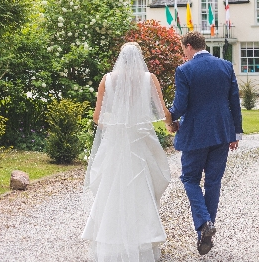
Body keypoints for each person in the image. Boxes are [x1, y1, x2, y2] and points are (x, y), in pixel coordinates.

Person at [83, 42, 172, 262]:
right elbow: (162, 111)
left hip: (116, 142)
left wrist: (115, 127)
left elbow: (97, 117)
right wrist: (171, 124)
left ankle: (110, 243)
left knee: (112, 189)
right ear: (139, 58)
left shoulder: (108, 80)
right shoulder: (148, 79)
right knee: (143, 189)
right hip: (141, 141)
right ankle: (143, 243)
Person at [166, 31, 243, 255]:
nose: (183, 55)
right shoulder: (225, 66)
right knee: (213, 182)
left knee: (189, 178)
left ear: (189, 46)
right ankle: (204, 232)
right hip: (222, 133)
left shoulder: (184, 70)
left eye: (183, 50)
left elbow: (179, 107)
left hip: (195, 135)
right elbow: (234, 102)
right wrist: (236, 133)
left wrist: (169, 117)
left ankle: (204, 224)